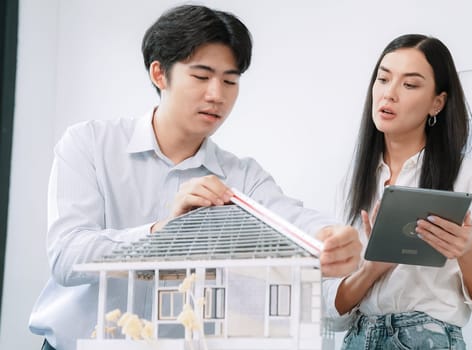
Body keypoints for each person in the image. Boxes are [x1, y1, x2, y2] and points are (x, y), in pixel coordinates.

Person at [28, 5, 362, 350]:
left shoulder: (241, 176)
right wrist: (165, 234)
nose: (217, 95)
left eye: (230, 81)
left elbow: (291, 217)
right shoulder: (90, 144)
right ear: (159, 74)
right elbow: (67, 256)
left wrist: (332, 238)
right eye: (201, 77)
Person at [323, 34, 472, 349]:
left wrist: (467, 249)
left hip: (427, 339)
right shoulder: (353, 182)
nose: (389, 93)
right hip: (359, 339)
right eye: (383, 78)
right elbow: (331, 315)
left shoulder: (467, 175)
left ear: (438, 102)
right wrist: (373, 269)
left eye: (410, 84)